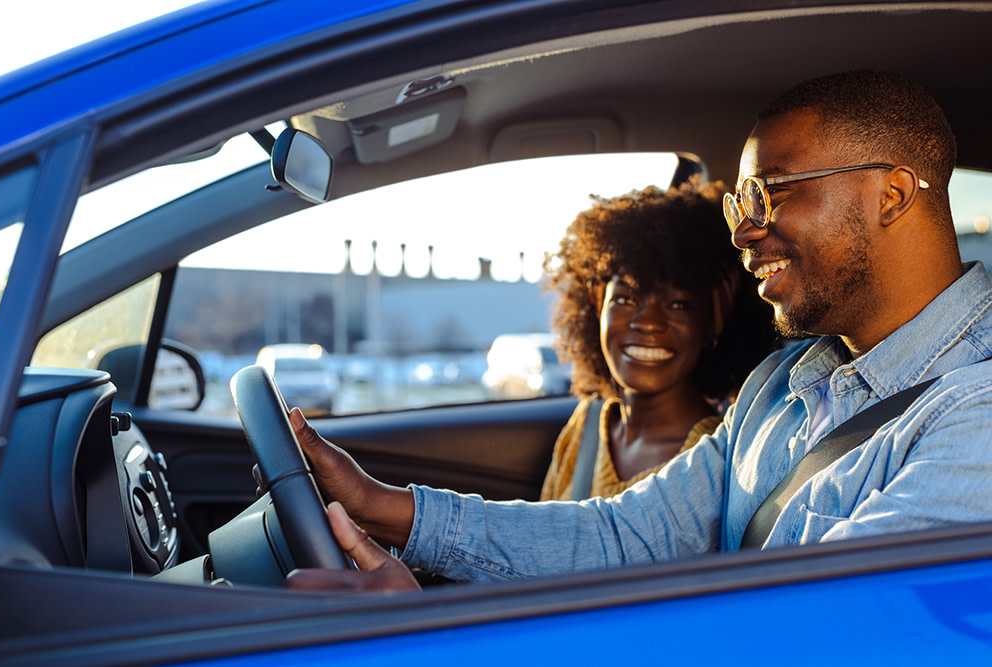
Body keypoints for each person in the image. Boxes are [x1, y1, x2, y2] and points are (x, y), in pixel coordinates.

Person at [285, 69, 992, 593]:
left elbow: (803, 633)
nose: (743, 231)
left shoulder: (976, 413)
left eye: (766, 194)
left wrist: (435, 634)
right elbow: (626, 536)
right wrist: (385, 506)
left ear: (892, 195)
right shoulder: (784, 381)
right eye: (737, 205)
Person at [538, 182, 774, 501]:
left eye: (678, 304)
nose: (648, 322)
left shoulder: (717, 454)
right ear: (597, 303)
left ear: (714, 319)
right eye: (625, 299)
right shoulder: (590, 422)